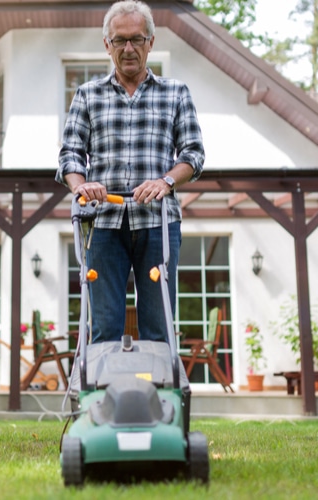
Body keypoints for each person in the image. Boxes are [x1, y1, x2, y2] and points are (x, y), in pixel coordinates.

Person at [57, 0, 205, 344]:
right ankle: (102, 397)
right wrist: (82, 187)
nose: (128, 48)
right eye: (119, 40)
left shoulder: (176, 93)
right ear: (107, 45)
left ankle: (158, 397)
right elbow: (70, 157)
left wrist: (166, 181)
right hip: (103, 224)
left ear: (150, 42)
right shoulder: (87, 95)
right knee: (105, 327)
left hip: (159, 224)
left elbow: (193, 154)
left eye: (136, 39)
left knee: (158, 325)